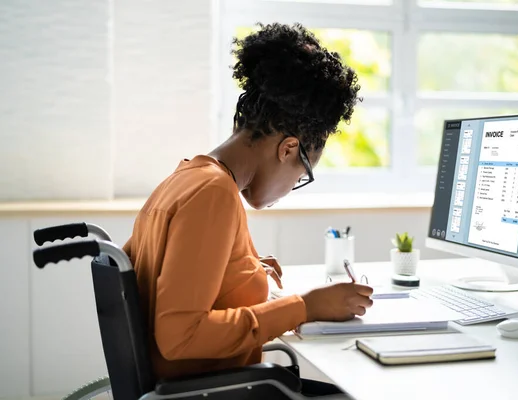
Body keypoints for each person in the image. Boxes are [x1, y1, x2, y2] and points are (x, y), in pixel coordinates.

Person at [123, 22, 373, 397]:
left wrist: (241, 274)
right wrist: (303, 307)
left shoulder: (186, 177)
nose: (292, 188)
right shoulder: (213, 193)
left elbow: (160, 275)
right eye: (303, 174)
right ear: (288, 149)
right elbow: (179, 337)